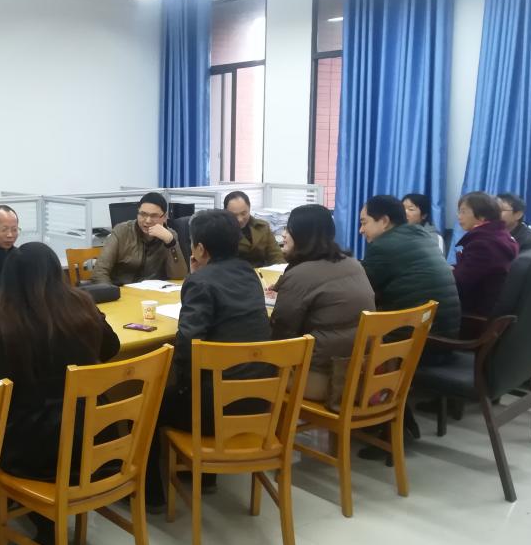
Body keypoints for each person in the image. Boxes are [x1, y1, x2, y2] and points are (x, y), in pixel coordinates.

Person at [0, 242, 120, 545]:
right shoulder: (82, 303)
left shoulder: (3, 316)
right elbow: (112, 347)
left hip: (37, 447)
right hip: (95, 436)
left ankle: (41, 521)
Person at [145, 209, 272, 509]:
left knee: (148, 406)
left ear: (199, 248)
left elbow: (188, 345)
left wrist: (179, 387)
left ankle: (151, 494)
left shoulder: (200, 282)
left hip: (216, 410)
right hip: (259, 400)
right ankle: (205, 476)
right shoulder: (249, 273)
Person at [269, 205, 375, 401]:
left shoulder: (300, 275)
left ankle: (271, 421)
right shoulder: (352, 263)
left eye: (289, 229)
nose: (284, 235)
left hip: (324, 379)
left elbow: (281, 335)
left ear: (303, 236)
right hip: (360, 374)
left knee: (252, 368)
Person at [359, 195, 461, 337]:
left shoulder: (383, 246)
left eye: (364, 222)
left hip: (418, 339)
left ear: (384, 221)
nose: (361, 230)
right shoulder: (423, 235)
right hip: (444, 332)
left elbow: (361, 292)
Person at [92, 192, 188, 285]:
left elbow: (179, 276)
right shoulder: (122, 231)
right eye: (143, 214)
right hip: (120, 290)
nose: (147, 220)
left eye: (154, 216)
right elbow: (100, 271)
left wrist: (170, 243)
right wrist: (110, 292)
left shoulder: (169, 235)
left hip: (152, 292)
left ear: (164, 217)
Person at [453, 191, 519, 317]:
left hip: (475, 312)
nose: (459, 216)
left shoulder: (483, 244)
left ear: (482, 216)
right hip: (492, 306)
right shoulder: (500, 236)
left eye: (463, 212)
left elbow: (459, 283)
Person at [223, 190, 285, 267]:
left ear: (249, 209)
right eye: (234, 215)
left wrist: (281, 269)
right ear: (225, 212)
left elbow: (275, 255)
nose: (240, 219)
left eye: (243, 213)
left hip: (262, 272)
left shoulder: (263, 227)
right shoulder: (222, 231)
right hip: (234, 272)